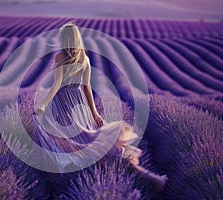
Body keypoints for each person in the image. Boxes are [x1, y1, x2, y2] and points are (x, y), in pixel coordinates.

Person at [32, 22, 168, 192]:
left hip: (62, 105)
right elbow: (87, 88)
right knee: (94, 145)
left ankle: (59, 187)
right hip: (79, 105)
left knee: (61, 144)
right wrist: (94, 113)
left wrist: (43, 106)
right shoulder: (85, 58)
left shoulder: (60, 56)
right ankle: (150, 177)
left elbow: (57, 84)